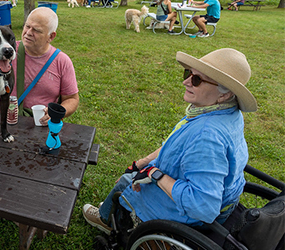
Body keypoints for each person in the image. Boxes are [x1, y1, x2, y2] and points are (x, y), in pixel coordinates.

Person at [82, 48, 258, 238]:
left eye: (197, 80)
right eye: (188, 74)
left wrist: (155, 174)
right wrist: (143, 162)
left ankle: (104, 219)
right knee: (134, 173)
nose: (186, 81)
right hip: (225, 200)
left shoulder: (207, 136)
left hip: (187, 216)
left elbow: (203, 207)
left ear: (224, 94)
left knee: (126, 181)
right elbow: (175, 146)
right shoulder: (225, 112)